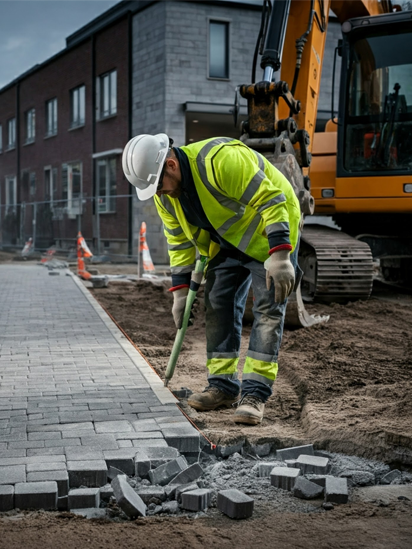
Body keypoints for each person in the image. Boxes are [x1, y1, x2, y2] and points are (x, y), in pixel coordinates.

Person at [122, 134, 302, 425]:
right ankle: (223, 386)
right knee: (218, 303)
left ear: (171, 165)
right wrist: (179, 293)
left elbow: (271, 199)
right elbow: (178, 242)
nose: (159, 194)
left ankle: (255, 394)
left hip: (270, 233)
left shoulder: (219, 161)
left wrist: (280, 255)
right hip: (226, 242)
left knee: (268, 310)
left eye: (158, 186)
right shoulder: (166, 197)